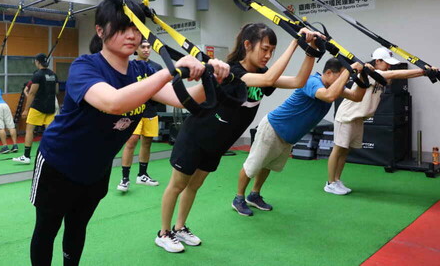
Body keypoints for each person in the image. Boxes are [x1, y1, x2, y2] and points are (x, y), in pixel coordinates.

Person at [28, 0, 229, 266]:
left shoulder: (143, 71)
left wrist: (212, 77)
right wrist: (170, 71)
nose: (131, 35)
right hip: (58, 163)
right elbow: (113, 102)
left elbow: (187, 99)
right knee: (47, 230)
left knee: (78, 227)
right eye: (122, 27)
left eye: (136, 28)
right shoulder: (85, 66)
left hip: (96, 169)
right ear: (100, 31)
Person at [155, 23, 325, 253]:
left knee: (194, 186)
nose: (268, 55)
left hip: (217, 144)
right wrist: (296, 41)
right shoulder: (233, 72)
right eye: (264, 49)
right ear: (247, 45)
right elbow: (267, 80)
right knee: (177, 185)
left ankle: (180, 227)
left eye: (271, 51)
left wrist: (310, 52)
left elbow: (297, 82)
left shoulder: (263, 74)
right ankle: (164, 233)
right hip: (196, 135)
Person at [233, 58, 365, 216]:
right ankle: (238, 198)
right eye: (341, 76)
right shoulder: (313, 82)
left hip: (287, 136)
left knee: (267, 165)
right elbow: (329, 96)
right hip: (274, 127)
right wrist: (350, 71)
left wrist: (363, 76)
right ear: (328, 73)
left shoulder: (333, 86)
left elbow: (357, 97)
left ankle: (254, 195)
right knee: (253, 165)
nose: (343, 81)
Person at [325, 47, 437, 195]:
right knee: (338, 149)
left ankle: (337, 180)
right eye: (386, 62)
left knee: (345, 151)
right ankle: (330, 183)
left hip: (358, 118)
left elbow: (390, 76)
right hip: (347, 116)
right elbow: (394, 74)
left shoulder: (377, 75)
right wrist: (423, 72)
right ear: (377, 61)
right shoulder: (370, 74)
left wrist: (427, 71)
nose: (389, 66)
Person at [118, 39, 163, 192]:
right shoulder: (130, 67)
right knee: (131, 142)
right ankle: (124, 179)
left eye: (148, 47)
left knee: (147, 143)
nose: (146, 49)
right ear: (136, 49)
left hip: (151, 111)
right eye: (142, 47)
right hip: (134, 110)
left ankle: (142, 175)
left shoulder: (157, 67)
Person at [13, 53, 58, 164]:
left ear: (37, 62)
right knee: (50, 132)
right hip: (50, 107)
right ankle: (53, 155)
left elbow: (32, 93)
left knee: (29, 130)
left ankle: (26, 156)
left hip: (38, 107)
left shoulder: (37, 75)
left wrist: (26, 109)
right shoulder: (53, 75)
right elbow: (56, 91)